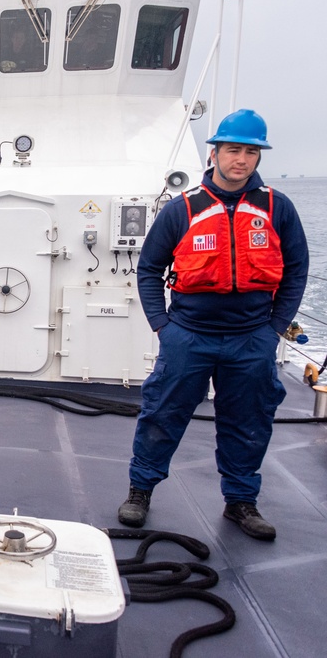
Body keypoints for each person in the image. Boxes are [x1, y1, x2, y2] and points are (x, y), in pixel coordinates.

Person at [117, 109, 308, 541]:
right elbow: (149, 269)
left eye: (250, 152)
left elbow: (296, 270)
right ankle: (140, 491)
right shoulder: (183, 209)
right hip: (188, 335)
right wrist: (163, 327)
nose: (241, 160)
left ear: (258, 157)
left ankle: (241, 502)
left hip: (252, 338)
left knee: (248, 420)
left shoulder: (278, 208)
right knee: (162, 414)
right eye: (233, 150)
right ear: (215, 152)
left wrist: (275, 327)